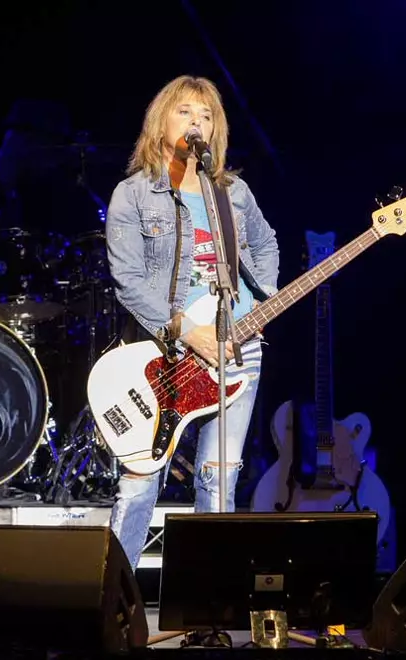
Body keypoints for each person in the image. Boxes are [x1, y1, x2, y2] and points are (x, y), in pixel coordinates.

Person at [104, 75, 280, 570]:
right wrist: (185, 329)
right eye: (185, 112)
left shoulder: (234, 192)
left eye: (206, 115)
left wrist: (255, 307)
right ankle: (114, 601)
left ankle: (209, 610)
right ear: (161, 122)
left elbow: (266, 245)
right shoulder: (134, 194)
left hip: (236, 351)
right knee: (141, 481)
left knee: (219, 477)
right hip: (164, 354)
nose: (196, 122)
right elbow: (128, 279)